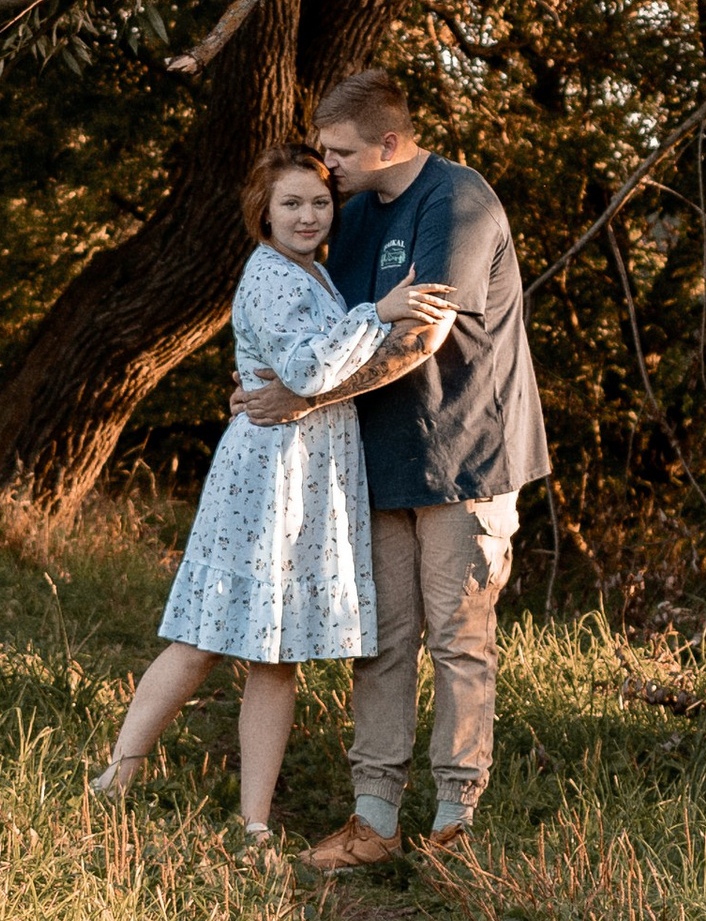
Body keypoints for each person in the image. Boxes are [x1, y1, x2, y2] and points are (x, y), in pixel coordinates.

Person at [89, 143, 456, 844]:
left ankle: (255, 820)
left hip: (305, 476)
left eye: (319, 202)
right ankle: (119, 773)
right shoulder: (271, 277)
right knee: (203, 636)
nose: (308, 215)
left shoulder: (311, 273)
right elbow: (308, 368)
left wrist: (367, 315)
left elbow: (317, 363)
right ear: (264, 210)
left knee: (275, 654)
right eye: (291, 203)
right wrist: (381, 309)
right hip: (266, 477)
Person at [230, 69, 549, 873]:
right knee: (380, 641)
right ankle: (373, 821)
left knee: (459, 637)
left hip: (466, 455)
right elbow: (328, 326)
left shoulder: (457, 201)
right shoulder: (355, 213)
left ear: (390, 143)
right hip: (378, 456)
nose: (325, 167)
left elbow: (420, 338)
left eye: (339, 152)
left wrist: (298, 401)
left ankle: (455, 824)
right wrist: (277, 381)